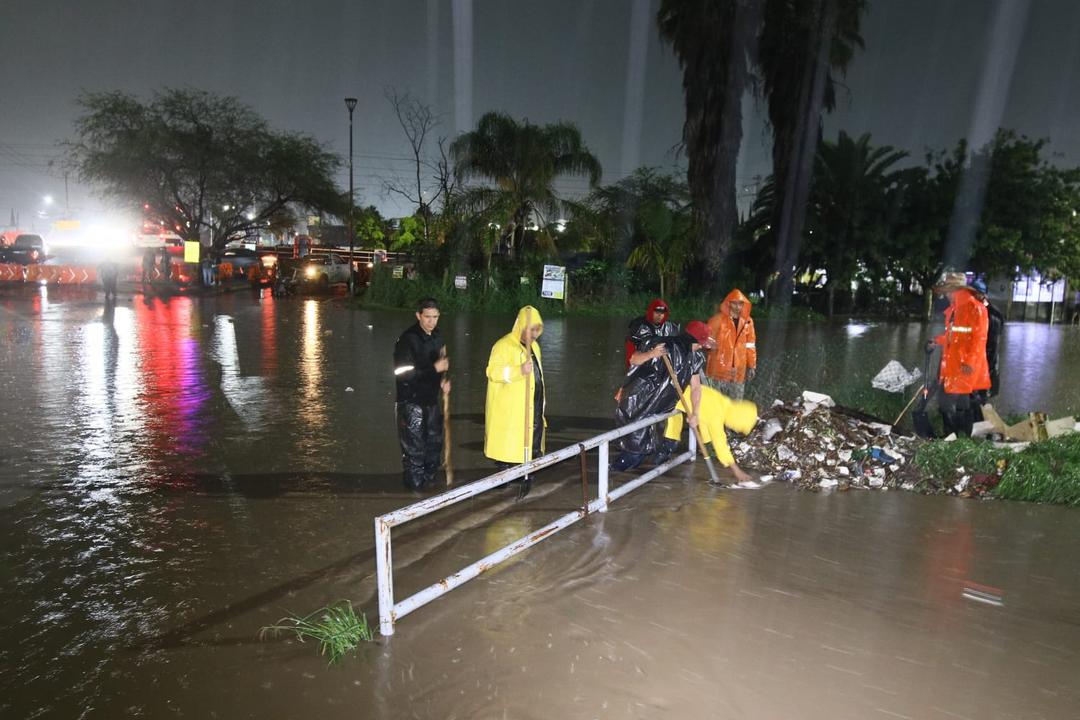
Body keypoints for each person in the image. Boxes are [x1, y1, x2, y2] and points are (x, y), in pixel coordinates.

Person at [612, 320, 713, 472]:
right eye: (701, 343)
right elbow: (634, 359)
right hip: (640, 399)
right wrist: (651, 354)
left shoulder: (695, 357)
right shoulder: (663, 345)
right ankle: (610, 473)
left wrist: (695, 414)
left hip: (662, 402)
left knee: (643, 448)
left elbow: (696, 388)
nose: (702, 346)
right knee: (635, 449)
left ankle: (617, 473)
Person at [914, 272, 990, 438]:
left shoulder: (975, 308)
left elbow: (979, 340)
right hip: (953, 364)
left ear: (959, 291)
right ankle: (961, 437)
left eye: (948, 291)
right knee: (959, 403)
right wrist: (936, 340)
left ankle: (953, 437)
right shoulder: (955, 310)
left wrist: (968, 363)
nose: (946, 295)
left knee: (948, 403)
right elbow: (953, 337)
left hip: (965, 366)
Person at [393, 298, 450, 490]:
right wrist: (434, 369)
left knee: (434, 443)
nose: (431, 322)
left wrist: (443, 380)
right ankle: (414, 491)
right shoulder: (407, 340)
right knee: (414, 450)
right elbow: (403, 375)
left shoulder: (438, 337)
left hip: (431, 400)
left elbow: (443, 364)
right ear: (418, 316)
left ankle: (430, 484)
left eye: (435, 317)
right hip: (411, 402)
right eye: (427, 317)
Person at [484, 306, 546, 482]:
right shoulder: (503, 346)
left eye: (537, 329)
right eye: (531, 329)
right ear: (521, 326)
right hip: (509, 408)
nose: (534, 334)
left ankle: (526, 469)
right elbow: (492, 372)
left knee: (531, 436)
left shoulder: (534, 347)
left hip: (532, 405)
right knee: (508, 444)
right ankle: (505, 473)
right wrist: (518, 370)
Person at [663, 385, 758, 486]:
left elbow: (704, 414)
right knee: (668, 442)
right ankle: (660, 458)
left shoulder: (724, 403)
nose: (735, 429)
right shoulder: (717, 414)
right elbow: (720, 444)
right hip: (672, 396)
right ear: (737, 419)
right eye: (738, 427)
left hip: (678, 387)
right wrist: (737, 471)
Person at [705, 289, 757, 400]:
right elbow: (706, 339)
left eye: (740, 303)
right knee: (716, 403)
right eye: (735, 303)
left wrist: (752, 366)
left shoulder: (748, 322)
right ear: (728, 303)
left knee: (735, 404)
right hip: (718, 371)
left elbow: (750, 345)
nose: (738, 306)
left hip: (739, 371)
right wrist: (709, 346)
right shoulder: (717, 320)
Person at [969, 278, 1004, 405]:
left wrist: (984, 372)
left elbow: (992, 349)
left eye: (973, 294)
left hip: (983, 370)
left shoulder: (992, 316)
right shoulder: (973, 310)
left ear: (982, 295)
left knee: (979, 404)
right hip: (972, 368)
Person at [625, 298, 680, 368]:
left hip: (659, 365)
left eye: (662, 313)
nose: (659, 315)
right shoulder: (639, 325)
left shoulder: (670, 327)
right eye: (657, 312)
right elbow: (636, 347)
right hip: (638, 361)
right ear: (651, 311)